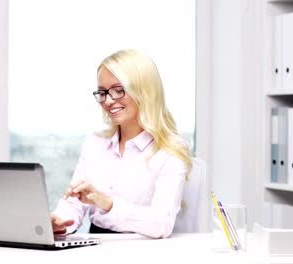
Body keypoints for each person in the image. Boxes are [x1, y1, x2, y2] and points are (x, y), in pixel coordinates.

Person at [50, 49, 192, 239]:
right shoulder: (95, 143)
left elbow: (162, 223)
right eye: (102, 92)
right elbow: (75, 203)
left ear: (144, 91)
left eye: (118, 90)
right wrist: (60, 223)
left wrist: (107, 203)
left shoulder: (170, 150)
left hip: (143, 248)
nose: (108, 101)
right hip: (96, 244)